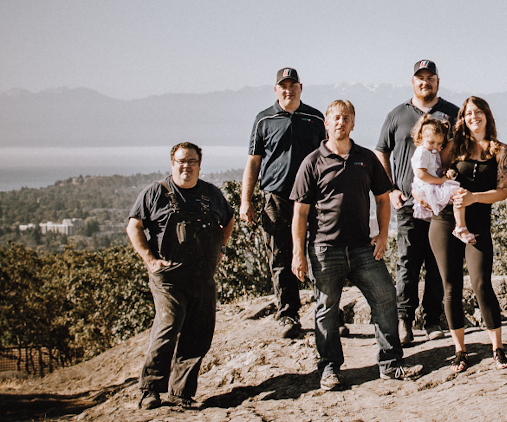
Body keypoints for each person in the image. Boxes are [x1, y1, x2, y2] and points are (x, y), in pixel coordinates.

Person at [291, 100, 417, 390]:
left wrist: (383, 235)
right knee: (326, 309)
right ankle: (329, 369)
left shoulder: (366, 158)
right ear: (326, 123)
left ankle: (390, 363)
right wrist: (299, 253)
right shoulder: (312, 162)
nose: (341, 122)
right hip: (325, 249)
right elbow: (300, 212)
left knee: (386, 297)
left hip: (363, 247)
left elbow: (383, 197)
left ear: (353, 123)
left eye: (346, 118)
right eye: (335, 117)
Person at [128, 142, 234, 410]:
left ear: (200, 164)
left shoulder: (212, 194)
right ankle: (150, 389)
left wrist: (221, 246)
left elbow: (229, 219)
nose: (186, 166)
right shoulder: (156, 193)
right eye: (181, 161)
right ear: (172, 163)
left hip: (202, 278)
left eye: (192, 161)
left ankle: (181, 392)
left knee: (199, 335)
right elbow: (134, 227)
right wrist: (149, 259)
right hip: (169, 278)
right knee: (168, 326)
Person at [422, 96, 507, 372]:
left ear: (487, 115)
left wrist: (474, 198)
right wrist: (421, 194)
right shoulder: (453, 147)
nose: (474, 116)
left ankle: (497, 348)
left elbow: (502, 192)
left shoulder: (501, 151)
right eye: (468, 113)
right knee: (450, 287)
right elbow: (430, 174)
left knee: (481, 284)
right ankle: (460, 351)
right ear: (463, 118)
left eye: (479, 112)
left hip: (477, 224)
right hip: (443, 223)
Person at [375, 60, 460, 344]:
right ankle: (404, 320)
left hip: (441, 205)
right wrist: (389, 190)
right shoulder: (397, 115)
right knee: (408, 262)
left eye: (430, 78)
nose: (425, 82)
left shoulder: (451, 113)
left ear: (438, 81)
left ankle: (432, 319)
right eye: (420, 78)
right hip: (408, 203)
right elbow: (381, 153)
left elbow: (462, 150)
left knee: (438, 260)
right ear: (413, 82)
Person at [240, 67, 326, 339]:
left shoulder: (315, 117)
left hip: (313, 196)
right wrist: (246, 200)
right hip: (276, 197)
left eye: (293, 85)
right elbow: (253, 161)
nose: (288, 90)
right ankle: (288, 314)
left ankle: (326, 312)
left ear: (301, 87)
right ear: (276, 90)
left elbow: (327, 157)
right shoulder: (263, 119)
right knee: (280, 254)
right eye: (283, 86)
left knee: (320, 252)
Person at [408, 114, 474, 244]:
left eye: (439, 143)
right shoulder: (422, 151)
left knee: (457, 194)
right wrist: (442, 181)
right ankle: (460, 227)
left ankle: (459, 225)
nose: (435, 146)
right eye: (431, 142)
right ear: (422, 137)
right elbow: (421, 174)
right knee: (458, 192)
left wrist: (445, 174)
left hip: (431, 185)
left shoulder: (431, 152)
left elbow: (433, 170)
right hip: (427, 187)